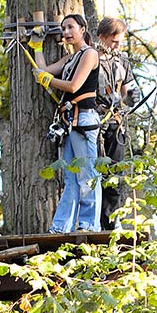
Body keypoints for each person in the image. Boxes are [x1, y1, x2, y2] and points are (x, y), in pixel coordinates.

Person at [29, 14, 101, 233]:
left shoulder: (89, 54)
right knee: (70, 178)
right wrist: (36, 46)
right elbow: (43, 69)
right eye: (63, 29)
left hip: (84, 118)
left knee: (87, 175)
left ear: (82, 28)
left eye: (71, 27)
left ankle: (89, 225)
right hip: (69, 121)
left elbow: (73, 86)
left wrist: (48, 80)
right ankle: (61, 227)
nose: (66, 32)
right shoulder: (70, 59)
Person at [95, 17, 138, 230]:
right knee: (94, 173)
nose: (117, 46)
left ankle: (110, 222)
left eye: (120, 41)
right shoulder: (91, 57)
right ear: (101, 37)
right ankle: (92, 221)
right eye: (114, 41)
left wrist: (130, 98)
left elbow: (124, 92)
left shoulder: (122, 60)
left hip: (116, 122)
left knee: (115, 174)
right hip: (94, 122)